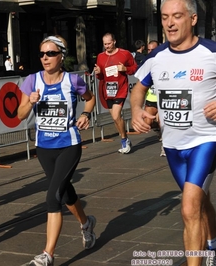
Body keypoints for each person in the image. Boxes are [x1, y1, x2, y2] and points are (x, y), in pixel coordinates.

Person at [130, 0, 216, 265]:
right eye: (165, 17)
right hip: (172, 145)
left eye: (176, 16)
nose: (169, 23)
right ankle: (211, 242)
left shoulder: (211, 52)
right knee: (200, 203)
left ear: (192, 19)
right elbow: (138, 89)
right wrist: (135, 111)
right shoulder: (156, 57)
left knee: (189, 207)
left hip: (206, 140)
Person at [17, 35, 97, 266]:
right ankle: (86, 223)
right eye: (42, 54)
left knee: (53, 198)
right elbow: (20, 115)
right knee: (65, 191)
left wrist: (85, 114)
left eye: (51, 53)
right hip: (44, 148)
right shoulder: (32, 80)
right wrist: (30, 102)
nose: (45, 58)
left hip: (68, 145)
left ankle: (47, 255)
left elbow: (90, 99)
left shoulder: (73, 81)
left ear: (61, 56)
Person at [94, 33, 137, 154]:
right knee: (116, 118)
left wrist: (125, 69)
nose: (107, 46)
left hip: (120, 89)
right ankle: (125, 138)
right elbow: (100, 76)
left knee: (115, 115)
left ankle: (123, 140)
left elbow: (134, 68)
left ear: (114, 42)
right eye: (105, 44)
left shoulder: (125, 54)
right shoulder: (101, 56)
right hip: (107, 90)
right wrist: (97, 72)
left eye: (109, 43)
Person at [143, 40, 165, 157]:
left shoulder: (165, 61)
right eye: (149, 50)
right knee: (148, 122)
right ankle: (159, 132)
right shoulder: (147, 62)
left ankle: (165, 146)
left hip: (162, 98)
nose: (150, 52)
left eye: (153, 49)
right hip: (151, 98)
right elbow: (140, 84)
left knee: (163, 122)